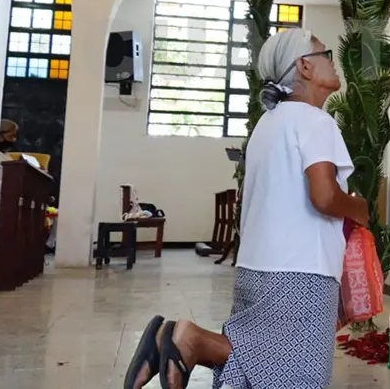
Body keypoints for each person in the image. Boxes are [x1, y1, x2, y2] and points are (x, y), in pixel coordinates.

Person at [123, 29, 369, 389]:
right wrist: (358, 207)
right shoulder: (316, 121)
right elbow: (325, 197)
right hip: (302, 270)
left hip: (256, 266)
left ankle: (182, 340)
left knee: (260, 363)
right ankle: (191, 340)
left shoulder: (267, 125)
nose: (333, 63)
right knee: (299, 373)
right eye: (325, 54)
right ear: (304, 66)